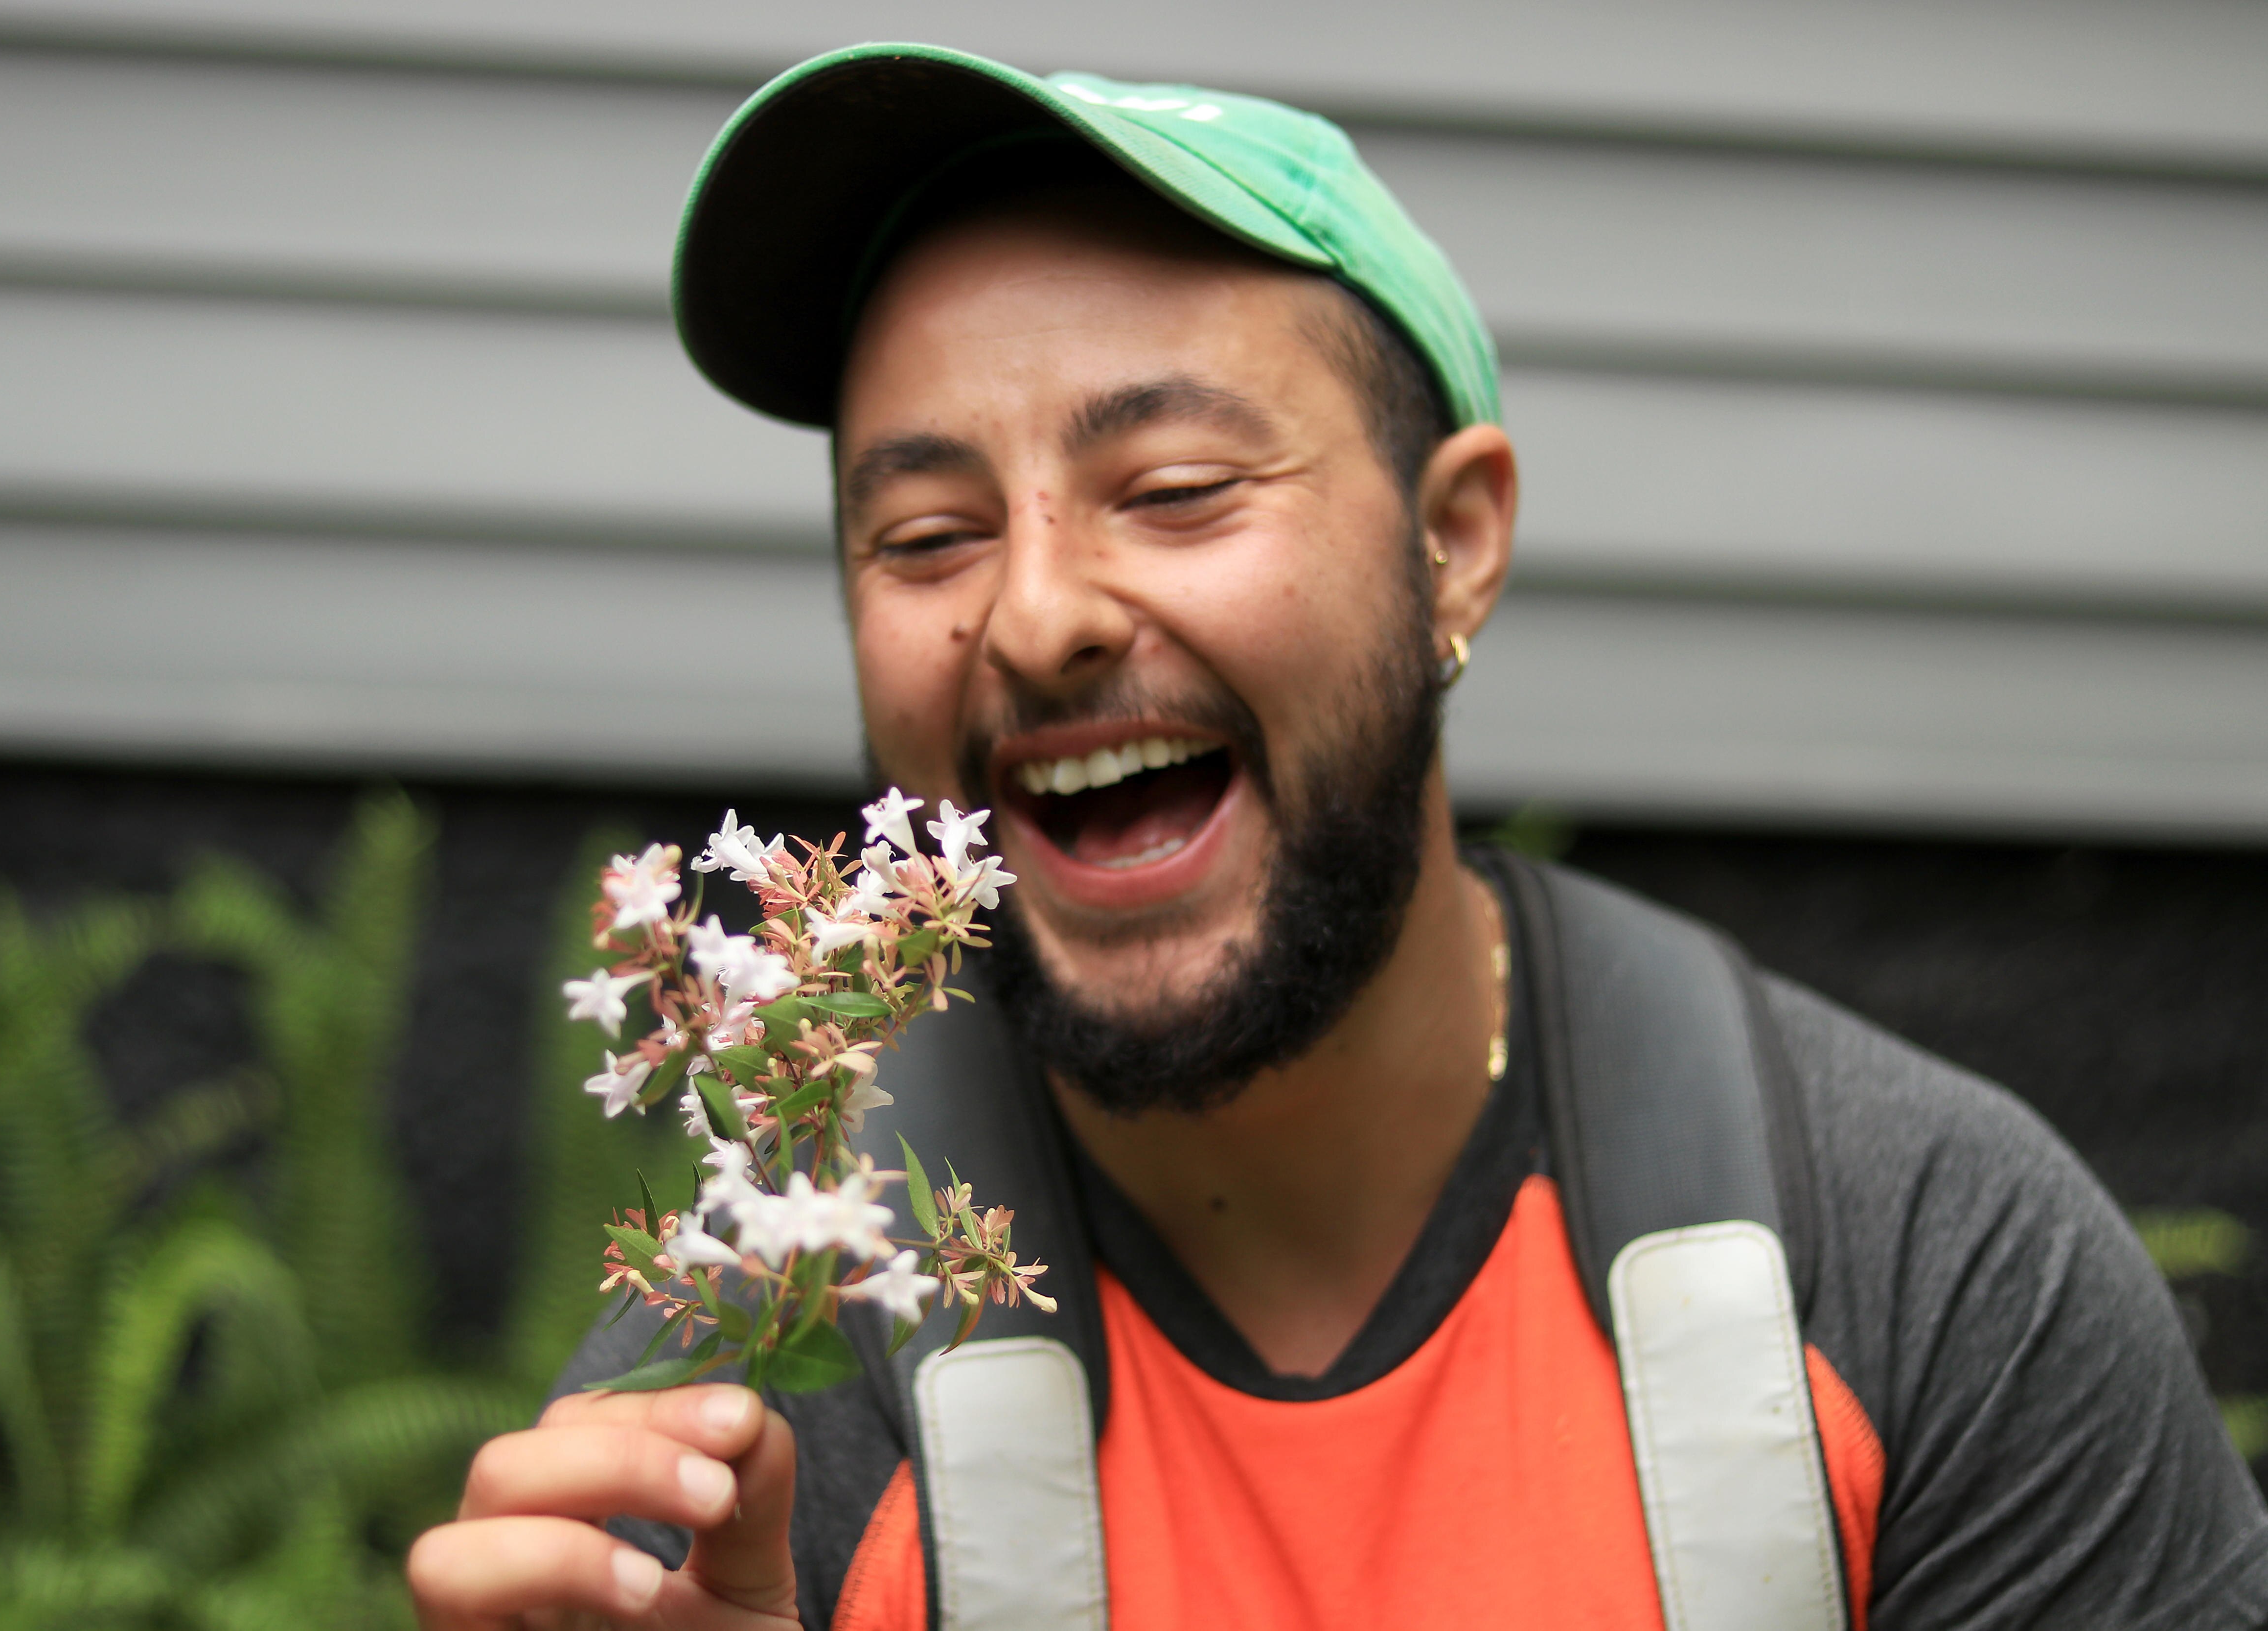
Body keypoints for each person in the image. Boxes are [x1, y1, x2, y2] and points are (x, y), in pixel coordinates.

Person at [408, 44, 2268, 1631]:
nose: (1036, 615)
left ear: (1450, 544)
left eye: (1178, 488)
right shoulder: (777, 1372)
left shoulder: (1920, 1270)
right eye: (925, 538)